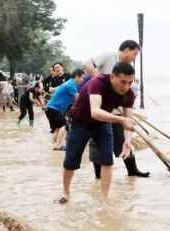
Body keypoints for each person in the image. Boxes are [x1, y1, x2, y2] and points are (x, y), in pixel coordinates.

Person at [58, 62, 138, 203]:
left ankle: (104, 199)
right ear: (113, 77)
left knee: (107, 161)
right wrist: (120, 119)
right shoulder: (98, 82)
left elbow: (129, 121)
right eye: (123, 82)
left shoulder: (129, 93)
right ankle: (65, 192)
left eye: (130, 82)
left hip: (102, 124)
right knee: (71, 160)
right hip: (80, 122)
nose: (126, 87)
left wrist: (127, 140)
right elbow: (95, 112)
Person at [85, 40, 150, 178]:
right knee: (97, 142)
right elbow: (88, 64)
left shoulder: (127, 68)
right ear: (126, 49)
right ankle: (99, 176)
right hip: (99, 109)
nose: (135, 58)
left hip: (115, 109)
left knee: (123, 138)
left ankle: (132, 170)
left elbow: (127, 91)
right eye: (135, 54)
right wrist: (100, 81)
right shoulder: (109, 56)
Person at [45, 69, 88, 150]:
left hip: (50, 108)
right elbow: (78, 98)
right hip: (54, 108)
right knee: (64, 125)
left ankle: (54, 145)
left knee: (57, 128)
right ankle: (58, 145)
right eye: (82, 78)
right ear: (77, 77)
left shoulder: (70, 84)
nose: (83, 80)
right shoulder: (71, 84)